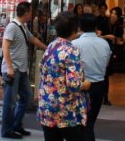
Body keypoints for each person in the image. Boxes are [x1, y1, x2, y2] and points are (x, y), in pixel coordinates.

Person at [38, 11, 91, 141]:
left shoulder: (51, 46)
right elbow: (73, 84)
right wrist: (85, 84)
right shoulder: (70, 50)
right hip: (66, 110)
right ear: (74, 29)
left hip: (47, 106)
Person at [2, 1, 47, 139]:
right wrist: (9, 67)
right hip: (13, 69)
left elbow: (32, 39)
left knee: (27, 97)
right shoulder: (12, 27)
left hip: (21, 69)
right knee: (10, 102)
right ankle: (7, 130)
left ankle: (17, 125)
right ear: (26, 13)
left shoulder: (23, 27)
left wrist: (47, 48)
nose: (32, 14)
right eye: (31, 11)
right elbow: (5, 46)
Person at [72, 13, 110, 141]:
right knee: (90, 121)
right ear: (95, 26)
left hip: (82, 85)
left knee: (82, 122)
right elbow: (107, 63)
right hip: (99, 84)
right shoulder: (104, 43)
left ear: (80, 27)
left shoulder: (75, 44)